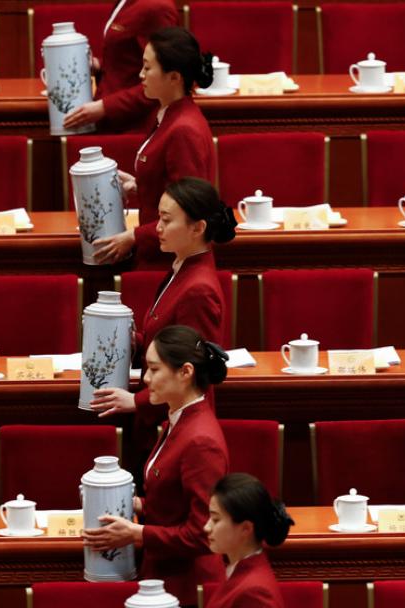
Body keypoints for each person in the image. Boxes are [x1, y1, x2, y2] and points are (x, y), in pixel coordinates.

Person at [83, 324, 230, 606]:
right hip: (166, 576)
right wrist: (137, 504)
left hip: (189, 588)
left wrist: (138, 534)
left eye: (154, 369)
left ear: (185, 372)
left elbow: (203, 533)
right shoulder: (179, 420)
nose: (146, 378)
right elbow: (175, 503)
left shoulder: (201, 441)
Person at [90, 177, 236, 450]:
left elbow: (192, 369)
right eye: (159, 218)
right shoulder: (183, 267)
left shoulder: (198, 290)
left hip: (174, 425)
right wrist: (136, 341)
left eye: (167, 220)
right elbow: (171, 344)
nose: (157, 227)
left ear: (198, 228)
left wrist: (137, 401)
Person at [90, 27, 216, 267]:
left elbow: (188, 212)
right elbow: (173, 186)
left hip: (167, 263)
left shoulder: (183, 130)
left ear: (174, 77)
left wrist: (133, 236)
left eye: (147, 68)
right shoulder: (169, 115)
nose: (141, 75)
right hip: (157, 254)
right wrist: (142, 185)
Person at [63, 0, 179, 133]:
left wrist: (105, 107)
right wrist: (98, 65)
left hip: (135, 127)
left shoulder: (157, 7)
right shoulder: (127, 2)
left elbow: (165, 82)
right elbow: (129, 58)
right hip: (112, 122)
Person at [204, 473, 295, 608]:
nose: (206, 527)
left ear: (246, 528)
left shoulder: (255, 593)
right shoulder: (237, 569)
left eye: (216, 519)